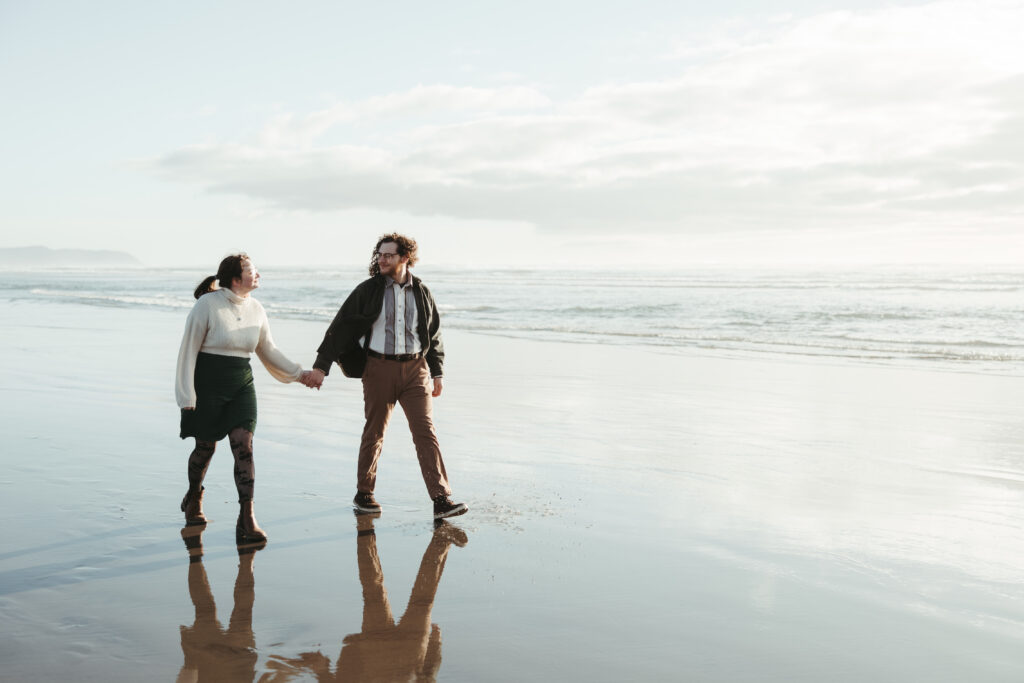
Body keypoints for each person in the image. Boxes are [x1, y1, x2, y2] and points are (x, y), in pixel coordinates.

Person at [306, 233, 468, 519]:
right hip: (377, 369)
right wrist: (322, 366)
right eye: (380, 254)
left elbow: (433, 333)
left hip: (416, 371)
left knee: (425, 433)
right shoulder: (367, 290)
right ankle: (364, 493)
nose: (382, 259)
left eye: (388, 255)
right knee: (375, 432)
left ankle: (441, 499)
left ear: (405, 258)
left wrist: (437, 371)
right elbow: (340, 327)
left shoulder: (422, 291)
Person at [176, 253, 315, 543]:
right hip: (207, 384)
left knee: (244, 446)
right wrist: (186, 394)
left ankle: (247, 517)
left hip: (241, 384)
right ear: (236, 279)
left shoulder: (257, 308)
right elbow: (188, 350)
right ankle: (193, 498)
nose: (258, 275)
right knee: (205, 449)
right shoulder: (207, 305)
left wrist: (299, 373)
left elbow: (268, 350)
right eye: (252, 271)